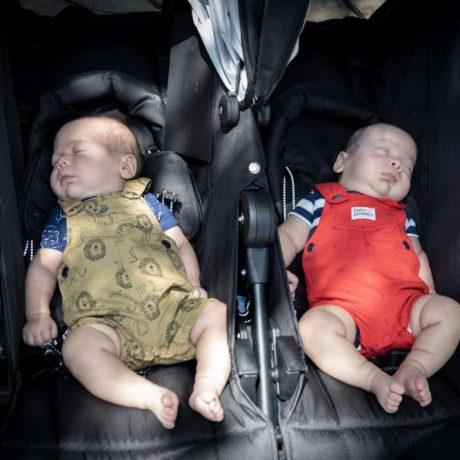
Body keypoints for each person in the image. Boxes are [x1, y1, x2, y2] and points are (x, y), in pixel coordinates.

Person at [23, 115, 231, 429]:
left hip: (172, 310)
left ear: (125, 167)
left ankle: (207, 386)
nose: (61, 163)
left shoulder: (148, 204)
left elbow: (181, 245)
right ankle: (145, 395)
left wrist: (192, 283)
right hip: (106, 325)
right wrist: (38, 314)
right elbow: (43, 266)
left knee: (215, 312)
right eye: (55, 163)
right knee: (76, 347)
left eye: (77, 153)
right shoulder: (62, 217)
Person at [278, 123, 460, 413]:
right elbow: (288, 235)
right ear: (342, 161)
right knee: (311, 328)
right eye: (383, 151)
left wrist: (432, 298)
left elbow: (418, 255)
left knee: (451, 312)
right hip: (346, 314)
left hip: (407, 308)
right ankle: (372, 378)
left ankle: (414, 367)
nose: (396, 163)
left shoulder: (403, 215)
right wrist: (275, 266)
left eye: (407, 166)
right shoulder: (319, 201)